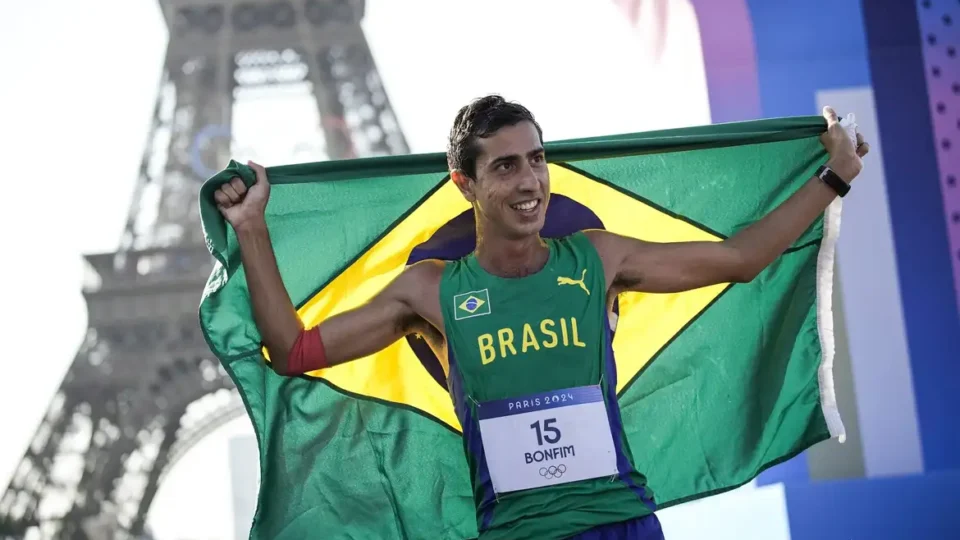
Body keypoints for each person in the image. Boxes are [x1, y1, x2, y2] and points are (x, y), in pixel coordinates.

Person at [213, 95, 869, 540]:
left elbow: (741, 259)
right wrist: (251, 230)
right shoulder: (430, 292)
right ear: (464, 183)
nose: (530, 182)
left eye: (537, 160)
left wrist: (834, 177)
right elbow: (292, 350)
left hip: (621, 520)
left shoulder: (596, 259)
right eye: (505, 167)